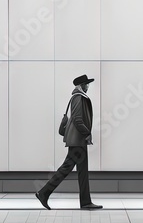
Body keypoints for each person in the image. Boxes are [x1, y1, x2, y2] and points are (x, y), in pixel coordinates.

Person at [35, 74, 102, 210]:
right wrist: (87, 133)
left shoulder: (79, 97)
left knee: (82, 172)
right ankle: (43, 193)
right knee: (66, 169)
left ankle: (85, 202)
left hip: (79, 140)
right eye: (86, 84)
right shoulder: (78, 97)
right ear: (81, 86)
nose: (88, 86)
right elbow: (77, 119)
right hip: (77, 141)